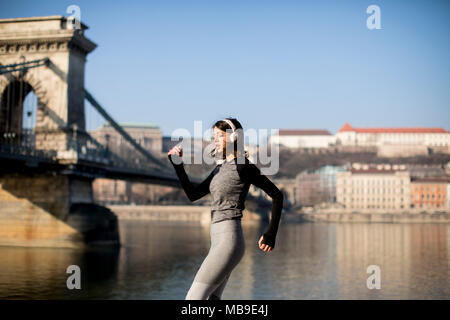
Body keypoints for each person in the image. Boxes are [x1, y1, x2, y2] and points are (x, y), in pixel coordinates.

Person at [167, 117, 284, 300]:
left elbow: (277, 195)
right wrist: (178, 166)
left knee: (193, 299)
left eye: (219, 135)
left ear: (234, 137)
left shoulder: (243, 166)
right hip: (218, 241)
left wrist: (271, 233)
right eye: (213, 136)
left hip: (229, 240)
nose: (215, 140)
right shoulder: (219, 169)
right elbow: (193, 194)